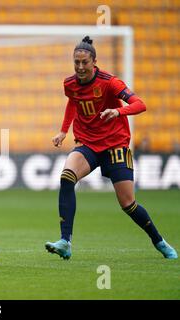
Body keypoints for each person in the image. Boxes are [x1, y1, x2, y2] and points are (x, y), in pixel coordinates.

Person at [45, 36, 177, 260]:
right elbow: (73, 102)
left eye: (84, 62)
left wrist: (118, 111)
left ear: (94, 62)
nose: (80, 67)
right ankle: (65, 241)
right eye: (76, 62)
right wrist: (64, 130)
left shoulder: (109, 82)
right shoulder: (70, 84)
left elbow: (140, 104)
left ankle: (159, 241)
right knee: (67, 176)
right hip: (88, 143)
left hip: (115, 144)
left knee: (127, 203)